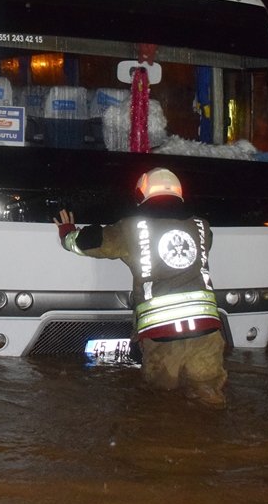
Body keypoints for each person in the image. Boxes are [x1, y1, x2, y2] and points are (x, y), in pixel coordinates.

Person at [53, 167, 228, 408]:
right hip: (207, 333)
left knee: (159, 406)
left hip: (163, 336)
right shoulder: (201, 226)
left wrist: (67, 234)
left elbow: (91, 241)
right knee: (209, 397)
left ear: (141, 195)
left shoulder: (132, 228)